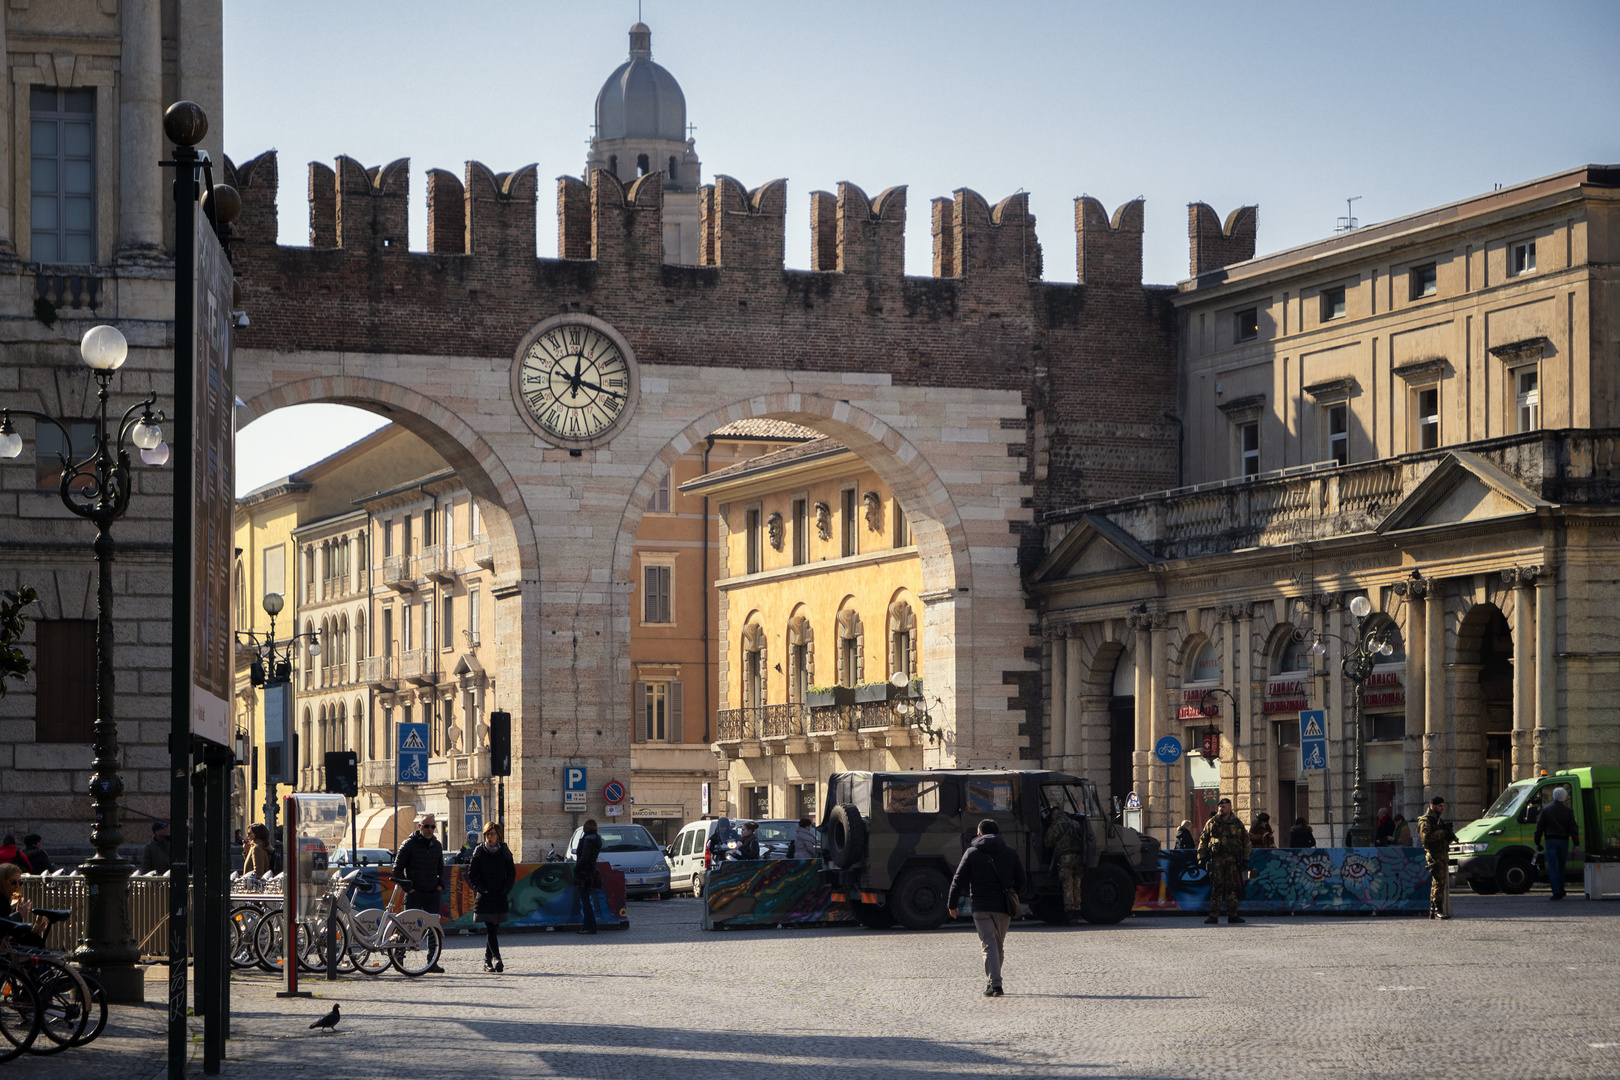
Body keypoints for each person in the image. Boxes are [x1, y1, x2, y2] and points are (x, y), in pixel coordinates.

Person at [947, 819, 1026, 997]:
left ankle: (995, 984)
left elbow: (958, 880)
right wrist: (1011, 893)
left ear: (980, 834)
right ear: (998, 834)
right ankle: (994, 981)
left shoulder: (971, 853)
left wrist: (952, 904)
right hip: (1003, 906)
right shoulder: (1010, 852)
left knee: (989, 945)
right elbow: (1022, 879)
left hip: (980, 907)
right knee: (997, 945)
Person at [468, 821, 516, 972]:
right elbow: (472, 874)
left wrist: (506, 889)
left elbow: (511, 873)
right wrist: (480, 888)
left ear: (498, 835)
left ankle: (487, 961)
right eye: (487, 834)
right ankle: (497, 958)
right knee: (490, 927)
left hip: (500, 894)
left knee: (495, 927)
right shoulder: (479, 851)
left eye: (492, 834)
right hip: (485, 895)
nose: (490, 837)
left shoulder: (505, 851)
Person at [1197, 797, 1251, 925]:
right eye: (1220, 807)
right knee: (1217, 887)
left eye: (1224, 807)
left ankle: (1233, 914)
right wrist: (1201, 857)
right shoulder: (1212, 822)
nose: (1221, 809)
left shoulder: (1237, 823)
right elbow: (1203, 840)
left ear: (1230, 808)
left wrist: (1246, 858)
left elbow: (1246, 842)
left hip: (1232, 859)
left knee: (1231, 887)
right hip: (1216, 860)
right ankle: (1213, 915)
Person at [1534, 787, 1580, 901]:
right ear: (1564, 797)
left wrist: (1537, 842)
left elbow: (1539, 828)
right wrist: (1576, 844)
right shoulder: (1568, 811)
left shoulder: (1546, 810)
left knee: (1553, 867)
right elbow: (1573, 828)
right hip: (1563, 841)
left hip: (1550, 840)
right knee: (1561, 866)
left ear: (1553, 796)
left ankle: (1556, 892)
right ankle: (1561, 889)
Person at [1418, 795, 1457, 919]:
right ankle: (1437, 910)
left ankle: (1433, 909)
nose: (1442, 808)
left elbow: (1442, 840)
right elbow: (1427, 839)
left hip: (1442, 854)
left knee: (1440, 882)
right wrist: (1443, 832)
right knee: (1438, 882)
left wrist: (1449, 835)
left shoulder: (1438, 820)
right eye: (1440, 806)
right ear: (1432, 806)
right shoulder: (1426, 821)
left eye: (1443, 806)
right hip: (1434, 855)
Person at [1042, 806, 1086, 913]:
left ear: (1053, 816)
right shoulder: (1075, 823)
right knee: (1077, 884)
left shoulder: (1054, 827)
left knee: (1067, 885)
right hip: (1078, 858)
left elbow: (1048, 843)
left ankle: (1070, 911)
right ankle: (1077, 908)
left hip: (1065, 859)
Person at [573, 819, 602, 934]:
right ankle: (587, 926)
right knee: (587, 900)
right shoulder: (597, 840)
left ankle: (589, 926)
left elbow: (584, 858)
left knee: (585, 901)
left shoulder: (587, 840)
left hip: (584, 873)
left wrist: (576, 869)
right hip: (591, 872)